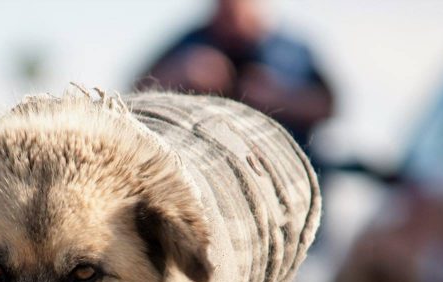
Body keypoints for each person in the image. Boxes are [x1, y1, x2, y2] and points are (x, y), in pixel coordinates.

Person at [135, 0, 335, 167]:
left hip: (287, 172)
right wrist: (180, 73)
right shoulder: (191, 43)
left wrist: (279, 97)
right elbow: (136, 91)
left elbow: (329, 106)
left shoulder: (293, 51)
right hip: (201, 169)